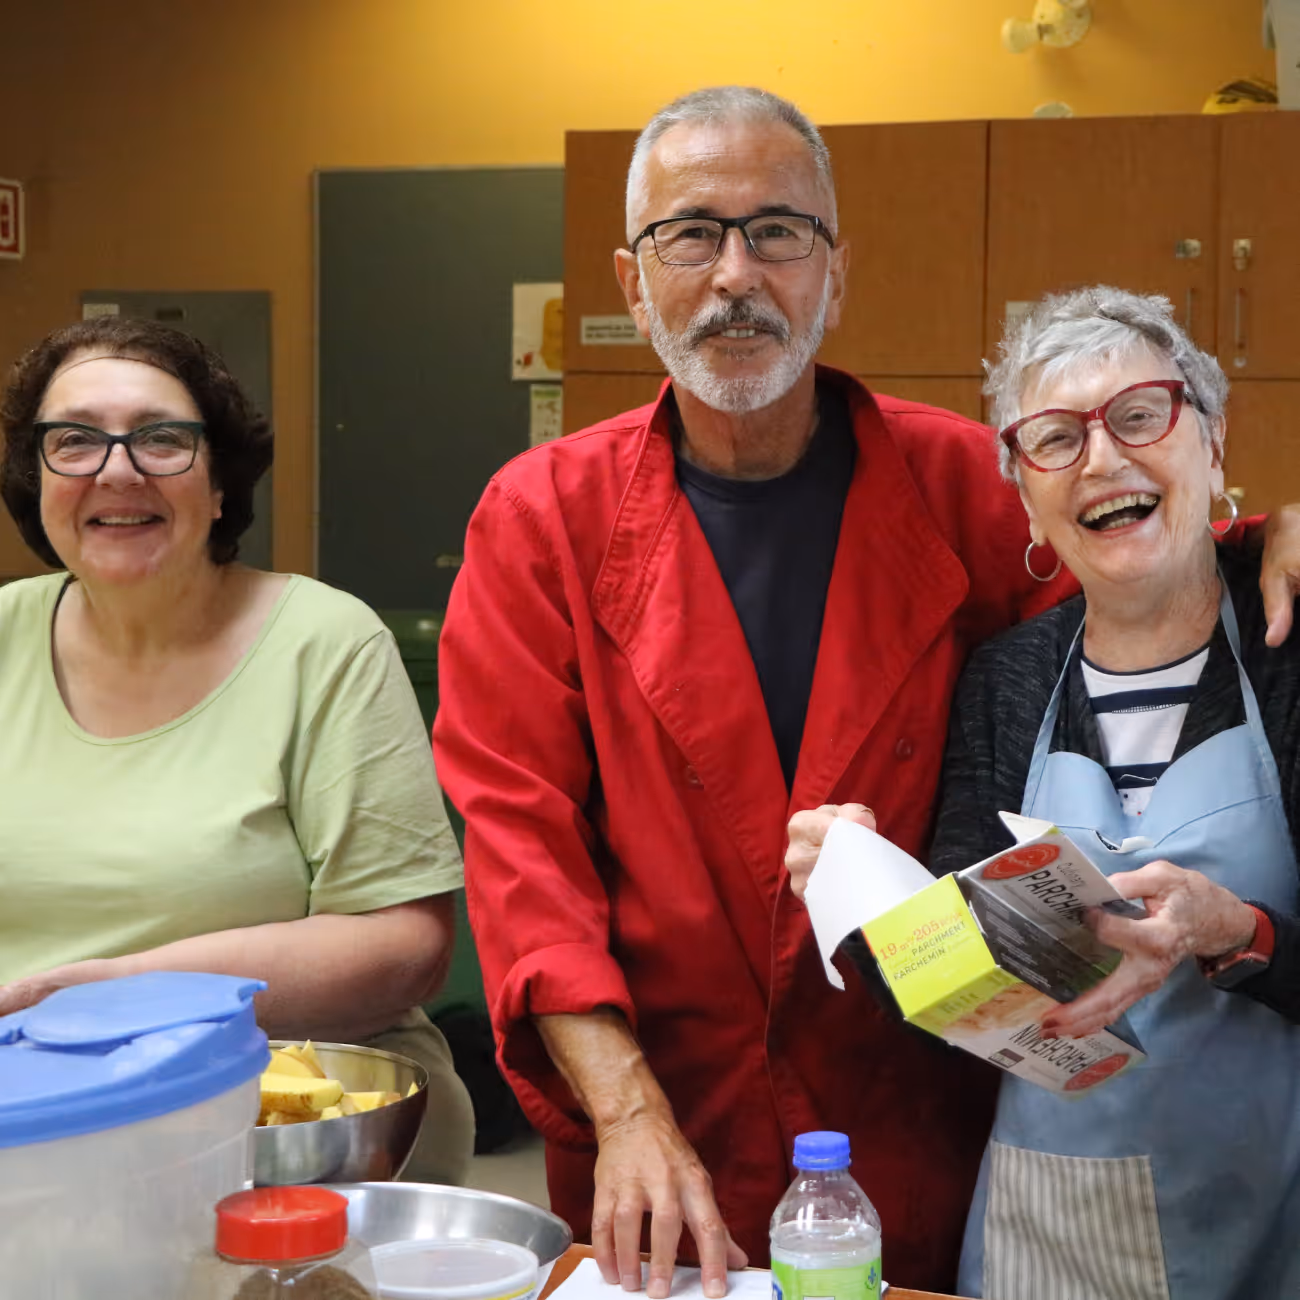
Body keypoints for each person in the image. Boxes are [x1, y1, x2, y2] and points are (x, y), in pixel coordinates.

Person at [432, 88, 1300, 1296]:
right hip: (654, 1126)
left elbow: (1128, 564)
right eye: (693, 234)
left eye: (779, 231)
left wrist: (1263, 537)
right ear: (635, 284)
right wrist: (624, 1107)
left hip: (916, 1125)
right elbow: (521, 846)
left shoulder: (958, 479)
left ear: (834, 275)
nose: (737, 273)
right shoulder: (541, 521)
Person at [790, 287, 1300, 1300]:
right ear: (1025, 497)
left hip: (1271, 1217)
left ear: (1212, 440)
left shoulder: (1289, 659)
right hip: (1049, 1227)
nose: (1102, 460)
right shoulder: (1008, 680)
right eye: (1054, 439)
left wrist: (1234, 929)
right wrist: (859, 887)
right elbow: (941, 992)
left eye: (1140, 415)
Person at [0, 316, 475, 1186]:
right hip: (29, 1124)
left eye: (162, 439)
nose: (116, 468)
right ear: (36, 481)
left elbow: (405, 944)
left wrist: (120, 996)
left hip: (284, 1132)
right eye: (73, 441)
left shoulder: (323, 644)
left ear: (220, 484)